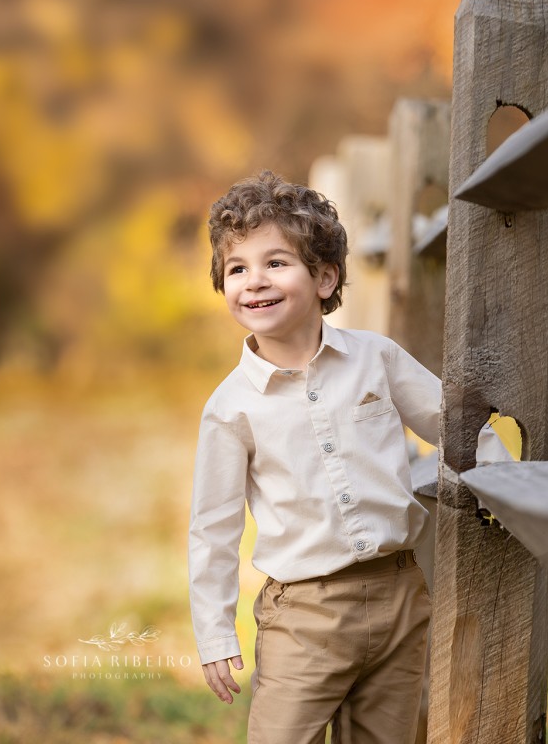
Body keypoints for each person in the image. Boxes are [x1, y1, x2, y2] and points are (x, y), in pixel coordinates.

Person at [188, 170, 507, 744]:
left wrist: (507, 481)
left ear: (325, 276)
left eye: (276, 263)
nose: (254, 281)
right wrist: (214, 633)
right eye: (237, 269)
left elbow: (451, 422)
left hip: (401, 596)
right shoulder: (230, 408)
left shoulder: (375, 360)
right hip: (305, 616)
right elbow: (214, 528)